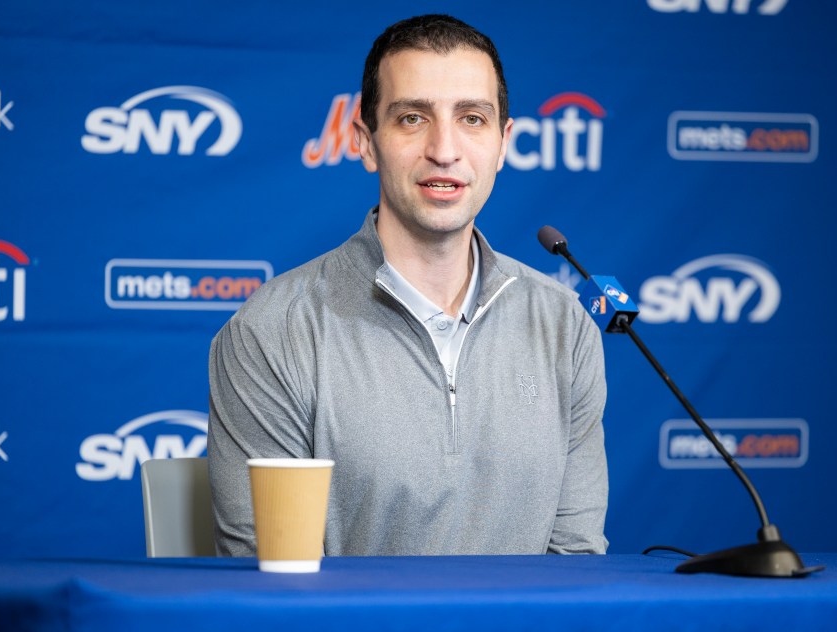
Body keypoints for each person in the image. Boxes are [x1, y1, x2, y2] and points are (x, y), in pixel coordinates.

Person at [207, 14, 608, 557]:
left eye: (472, 118)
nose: (445, 150)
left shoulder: (564, 323)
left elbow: (576, 564)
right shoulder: (271, 330)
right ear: (366, 142)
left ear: (503, 143)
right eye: (413, 118)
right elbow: (274, 582)